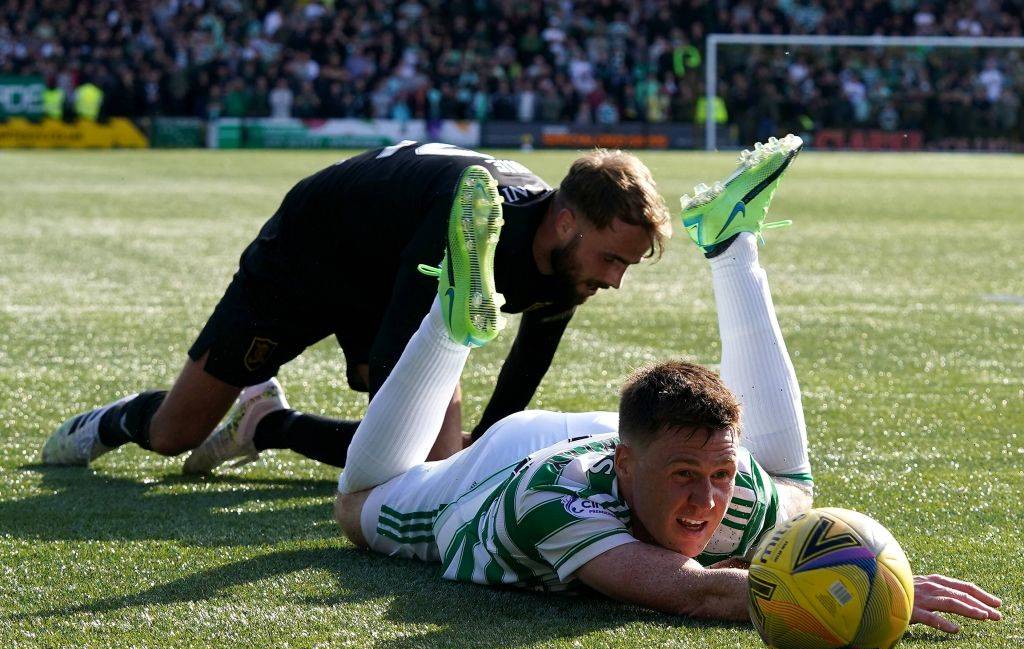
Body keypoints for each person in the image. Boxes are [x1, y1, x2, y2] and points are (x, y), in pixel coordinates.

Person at [332, 137, 1002, 633]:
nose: (708, 500)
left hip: (632, 437)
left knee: (792, 486)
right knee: (359, 508)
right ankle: (450, 323)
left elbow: (739, 517)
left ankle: (731, 239)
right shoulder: (556, 500)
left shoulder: (737, 492)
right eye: (687, 476)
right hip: (505, 464)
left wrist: (876, 569)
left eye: (719, 473)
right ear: (626, 464)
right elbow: (696, 592)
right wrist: (868, 593)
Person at [41, 142, 672, 473]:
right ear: (564, 222)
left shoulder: (565, 258)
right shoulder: (475, 219)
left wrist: (485, 444)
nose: (615, 280)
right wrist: (445, 462)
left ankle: (264, 422)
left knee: (432, 454)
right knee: (173, 435)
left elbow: (532, 352)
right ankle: (111, 422)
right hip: (309, 253)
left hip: (392, 269)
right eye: (612, 259)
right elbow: (401, 352)